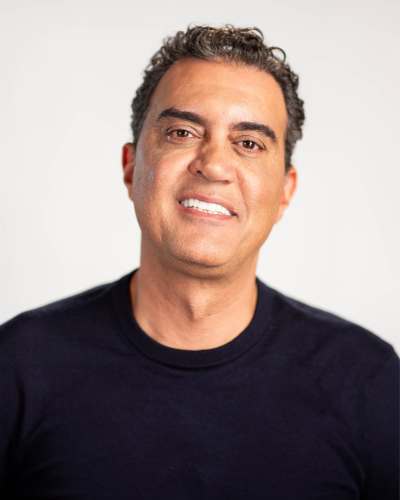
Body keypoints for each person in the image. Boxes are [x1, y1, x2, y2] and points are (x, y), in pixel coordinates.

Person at [0, 25, 398, 500]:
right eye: (182, 132)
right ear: (131, 168)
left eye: (249, 143)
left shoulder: (366, 380)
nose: (213, 164)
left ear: (285, 191)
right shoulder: (19, 365)